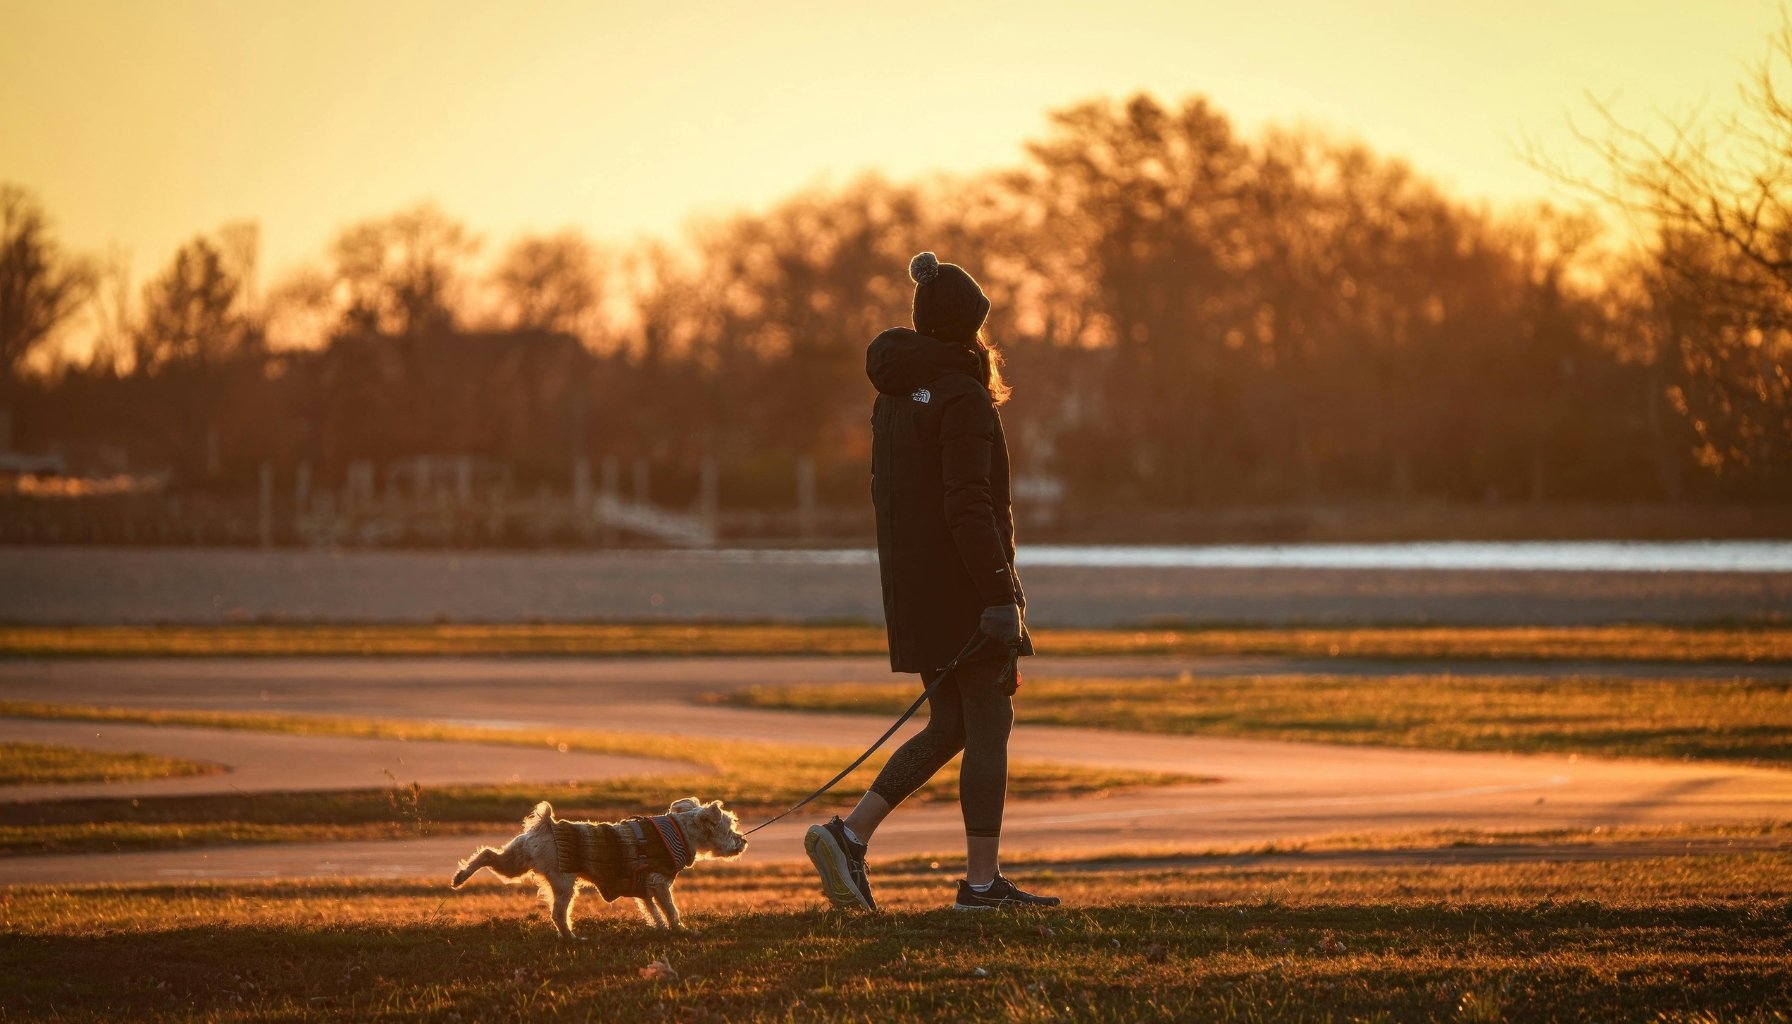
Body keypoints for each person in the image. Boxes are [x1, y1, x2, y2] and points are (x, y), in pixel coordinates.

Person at [804, 251, 1059, 912]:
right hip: (966, 593)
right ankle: (980, 886)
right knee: (988, 724)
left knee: (949, 725)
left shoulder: (893, 396)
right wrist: (1002, 599)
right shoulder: (962, 396)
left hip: (915, 592)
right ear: (966, 328)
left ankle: (849, 836)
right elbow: (969, 507)